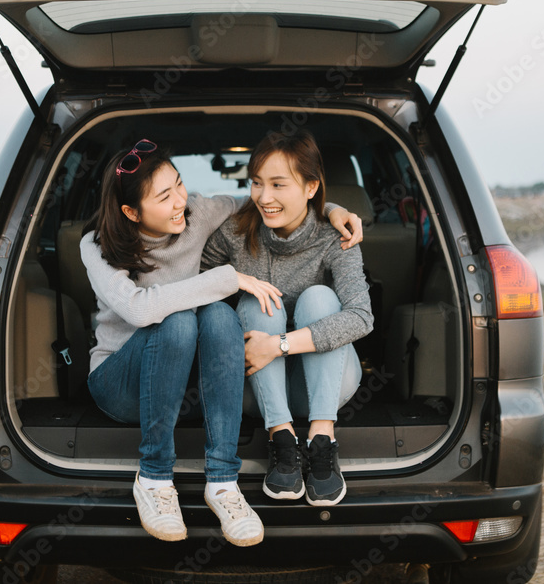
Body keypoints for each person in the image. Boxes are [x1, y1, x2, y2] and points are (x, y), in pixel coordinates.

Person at [79, 139, 363, 545]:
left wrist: (333, 211)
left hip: (180, 382)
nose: (180, 201)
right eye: (164, 197)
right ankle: (155, 478)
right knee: (177, 320)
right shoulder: (97, 245)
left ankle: (223, 483)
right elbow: (140, 311)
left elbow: (269, 202)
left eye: (179, 185)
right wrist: (229, 278)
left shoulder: (199, 212)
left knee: (217, 314)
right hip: (121, 381)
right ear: (130, 211)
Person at [202, 130, 373, 507]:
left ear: (311, 187)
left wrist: (276, 347)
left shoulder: (336, 237)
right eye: (257, 183)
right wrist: (234, 283)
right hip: (259, 390)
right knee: (257, 302)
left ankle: (322, 439)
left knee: (321, 297)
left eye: (279, 184)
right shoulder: (233, 233)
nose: (264, 197)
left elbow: (362, 317)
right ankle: (282, 441)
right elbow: (195, 288)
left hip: (326, 386)